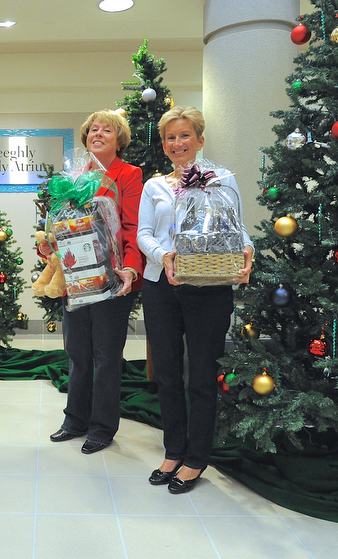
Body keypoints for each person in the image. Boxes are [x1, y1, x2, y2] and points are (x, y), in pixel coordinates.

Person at [137, 106, 253, 493]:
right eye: (170, 137)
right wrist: (163, 256)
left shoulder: (221, 180)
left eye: (184, 135)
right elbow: (144, 234)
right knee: (167, 374)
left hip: (210, 284)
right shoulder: (156, 186)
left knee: (201, 375)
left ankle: (196, 458)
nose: (177, 143)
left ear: (200, 140)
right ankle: (173, 450)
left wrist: (247, 252)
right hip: (161, 286)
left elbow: (238, 226)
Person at [47, 110, 144, 454]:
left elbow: (132, 226)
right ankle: (75, 419)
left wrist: (131, 269)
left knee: (105, 355)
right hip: (76, 276)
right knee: (76, 350)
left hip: (112, 278)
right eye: (92, 130)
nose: (97, 134)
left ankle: (102, 427)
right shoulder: (73, 176)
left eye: (107, 130)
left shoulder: (129, 175)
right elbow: (59, 221)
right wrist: (50, 242)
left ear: (119, 139)